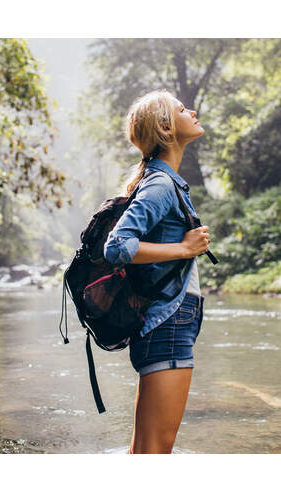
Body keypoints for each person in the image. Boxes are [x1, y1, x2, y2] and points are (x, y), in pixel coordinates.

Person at [103, 89, 210, 454]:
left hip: (166, 322)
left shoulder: (164, 181)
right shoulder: (162, 184)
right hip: (168, 324)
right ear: (166, 127)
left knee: (146, 451)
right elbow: (117, 247)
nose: (192, 111)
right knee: (155, 451)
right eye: (182, 109)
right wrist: (183, 248)